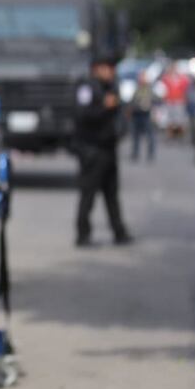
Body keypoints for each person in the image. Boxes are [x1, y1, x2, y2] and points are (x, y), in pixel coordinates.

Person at [73, 53, 132, 247]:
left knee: (112, 194)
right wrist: (104, 106)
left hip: (109, 148)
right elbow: (82, 115)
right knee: (88, 194)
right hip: (92, 150)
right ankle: (83, 235)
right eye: (107, 67)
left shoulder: (111, 87)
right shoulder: (86, 88)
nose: (111, 72)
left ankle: (119, 231)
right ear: (97, 69)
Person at [129, 70, 157, 162]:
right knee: (136, 136)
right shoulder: (137, 88)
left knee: (150, 136)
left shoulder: (150, 88)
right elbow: (132, 100)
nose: (141, 79)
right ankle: (135, 153)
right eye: (140, 77)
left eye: (143, 77)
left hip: (147, 115)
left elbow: (155, 100)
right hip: (137, 114)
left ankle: (151, 154)